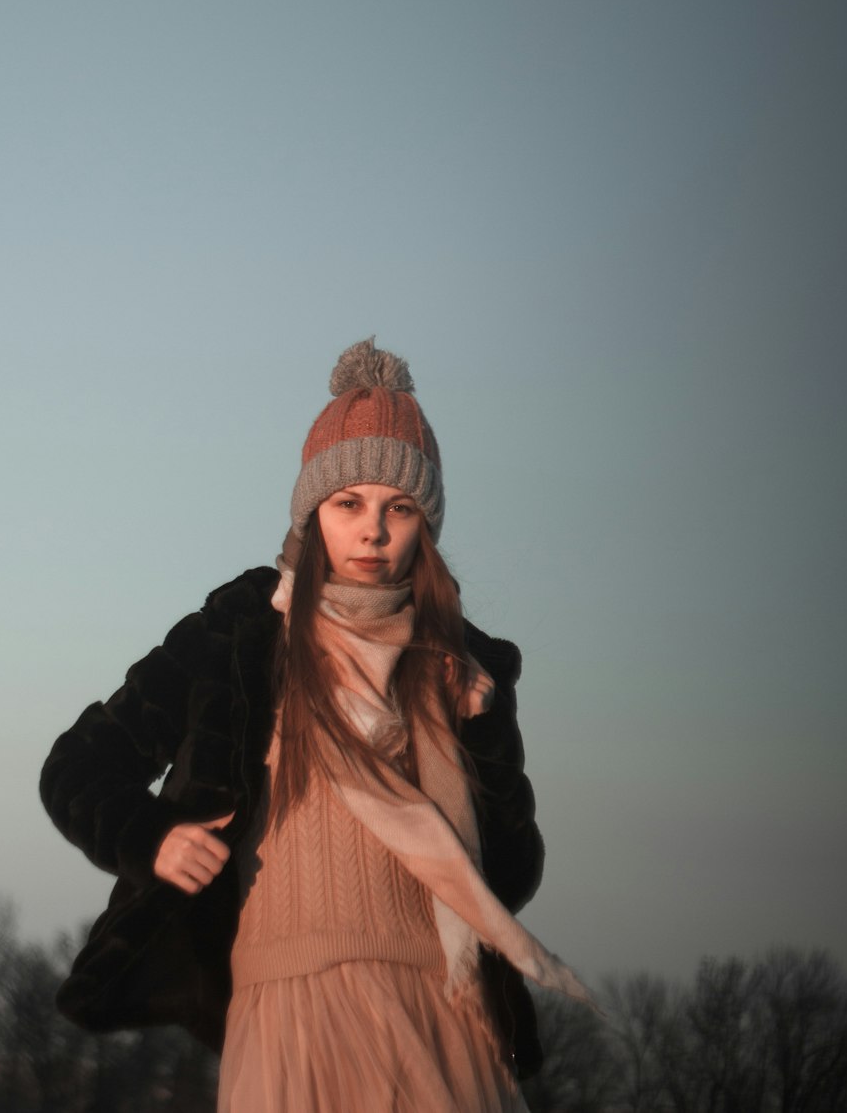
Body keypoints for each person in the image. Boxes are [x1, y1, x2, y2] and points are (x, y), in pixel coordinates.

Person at [40, 338, 596, 1112]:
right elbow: (79, 766)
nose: (373, 531)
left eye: (398, 508)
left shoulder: (461, 668)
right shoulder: (239, 635)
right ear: (313, 511)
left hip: (445, 1019)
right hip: (288, 1015)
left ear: (422, 526)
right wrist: (150, 836)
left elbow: (509, 874)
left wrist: (484, 731)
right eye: (349, 503)